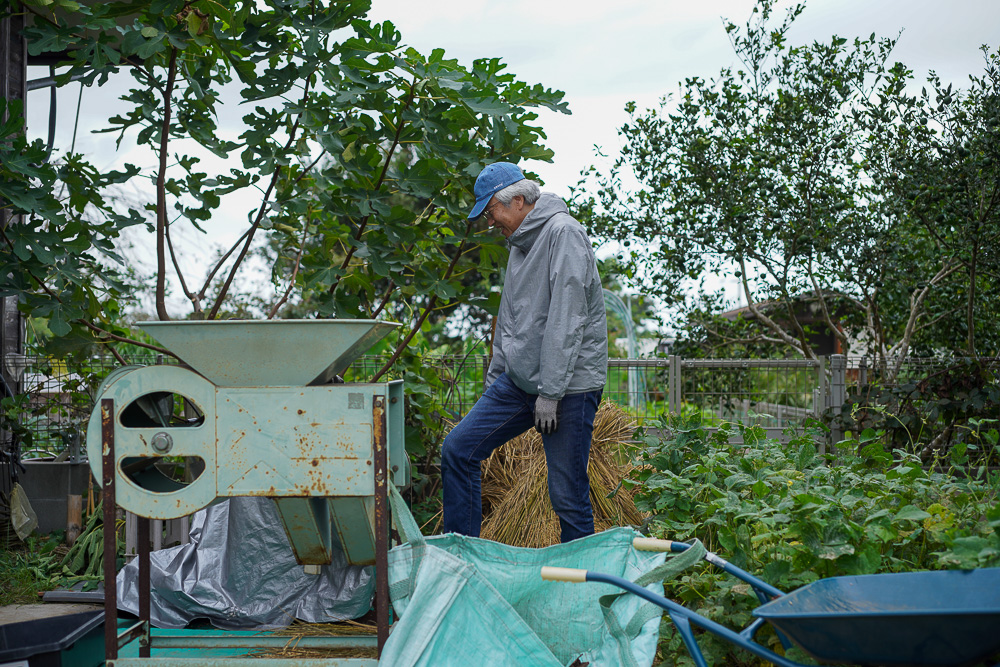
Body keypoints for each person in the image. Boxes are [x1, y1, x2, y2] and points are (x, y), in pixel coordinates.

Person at [441, 162, 608, 543]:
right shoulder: (518, 243)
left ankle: (581, 584)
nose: (489, 222)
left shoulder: (563, 234)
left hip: (569, 385)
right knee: (458, 449)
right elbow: (511, 317)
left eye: (491, 211)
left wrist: (550, 392)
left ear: (517, 201)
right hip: (520, 382)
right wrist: (496, 379)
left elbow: (568, 317)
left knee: (566, 495)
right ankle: (462, 557)